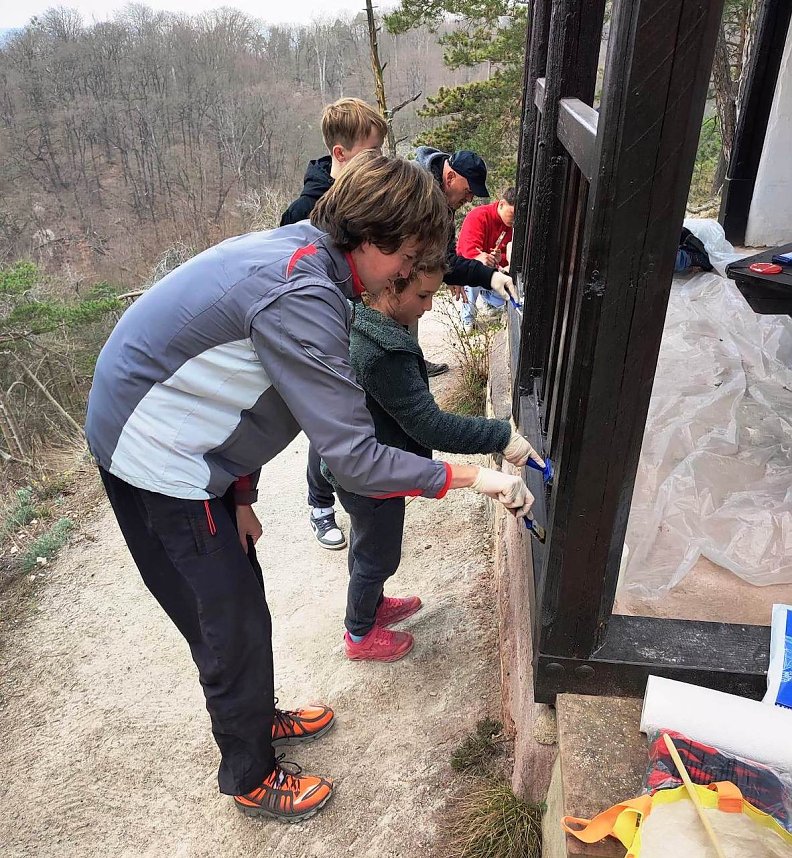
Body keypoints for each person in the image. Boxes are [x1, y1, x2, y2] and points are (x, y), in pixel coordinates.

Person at [84, 152, 534, 824]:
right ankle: (250, 775)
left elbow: (247, 390)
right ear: (379, 243)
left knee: (242, 600)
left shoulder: (311, 258)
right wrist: (472, 475)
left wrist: (241, 496)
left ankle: (258, 718)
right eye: (411, 255)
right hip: (158, 461)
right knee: (226, 623)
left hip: (192, 448)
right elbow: (353, 459)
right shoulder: (304, 292)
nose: (412, 273)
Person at [322, 261, 544, 662]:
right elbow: (428, 425)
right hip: (371, 474)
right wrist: (499, 436)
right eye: (423, 296)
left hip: (363, 467)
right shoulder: (384, 352)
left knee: (367, 542)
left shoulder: (364, 320)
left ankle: (370, 606)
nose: (427, 307)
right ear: (391, 287)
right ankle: (359, 634)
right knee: (379, 554)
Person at [280, 98, 387, 552]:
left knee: (352, 419)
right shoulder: (304, 211)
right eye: (370, 153)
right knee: (327, 425)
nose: (378, 161)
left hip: (355, 325)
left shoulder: (365, 198)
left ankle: (350, 496)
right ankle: (319, 504)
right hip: (321, 334)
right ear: (340, 154)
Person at [413, 147, 519, 370]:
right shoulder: (416, 192)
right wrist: (483, 273)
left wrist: (457, 273)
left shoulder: (443, 198)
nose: (470, 198)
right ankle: (408, 364)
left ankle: (411, 361)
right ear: (451, 177)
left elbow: (446, 250)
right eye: (469, 191)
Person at [456, 187, 516, 333]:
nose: (515, 219)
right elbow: (466, 251)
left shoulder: (511, 227)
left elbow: (507, 259)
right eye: (513, 213)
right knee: (472, 270)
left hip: (494, 273)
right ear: (502, 204)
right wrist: (481, 257)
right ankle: (467, 318)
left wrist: (498, 258)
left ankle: (491, 305)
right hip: (473, 269)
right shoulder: (479, 216)